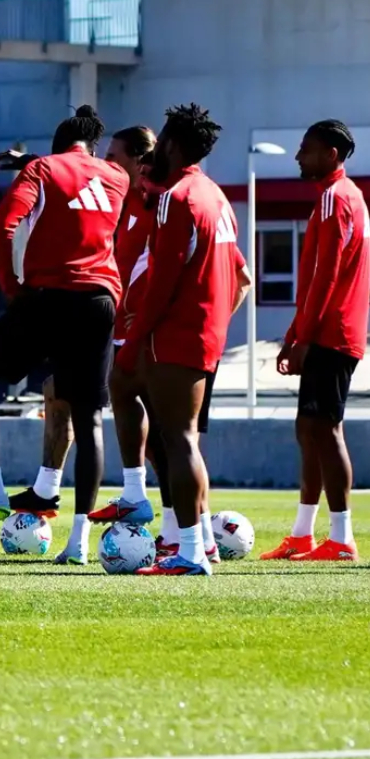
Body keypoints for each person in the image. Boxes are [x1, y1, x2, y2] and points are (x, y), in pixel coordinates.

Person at [0, 105, 126, 566]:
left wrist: (13, 288)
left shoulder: (45, 169)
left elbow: (1, 226)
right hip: (101, 301)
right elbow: (84, 181)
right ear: (94, 146)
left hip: (48, 297)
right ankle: (78, 543)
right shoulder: (116, 177)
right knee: (89, 420)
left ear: (56, 144)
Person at [123, 104, 242, 577]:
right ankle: (203, 544)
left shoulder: (180, 197)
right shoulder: (217, 195)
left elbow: (163, 281)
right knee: (182, 439)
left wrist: (135, 338)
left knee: (178, 440)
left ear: (171, 144)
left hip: (177, 333)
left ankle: (190, 551)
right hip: (207, 331)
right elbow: (236, 274)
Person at [264, 119, 367, 562]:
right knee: (310, 429)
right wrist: (293, 334)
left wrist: (304, 337)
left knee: (324, 429)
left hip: (333, 333)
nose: (297, 156)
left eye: (305, 149)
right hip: (326, 330)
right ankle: (304, 533)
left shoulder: (335, 198)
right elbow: (317, 278)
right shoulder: (344, 198)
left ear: (331, 154)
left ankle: (342, 539)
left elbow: (326, 274)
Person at [93, 125, 165, 528]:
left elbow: (238, 277)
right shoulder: (126, 204)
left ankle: (195, 534)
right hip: (124, 331)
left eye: (114, 158)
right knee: (152, 434)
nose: (106, 166)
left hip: (156, 339)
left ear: (139, 161)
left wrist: (161, 318)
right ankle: (137, 496)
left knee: (175, 442)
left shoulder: (163, 203)